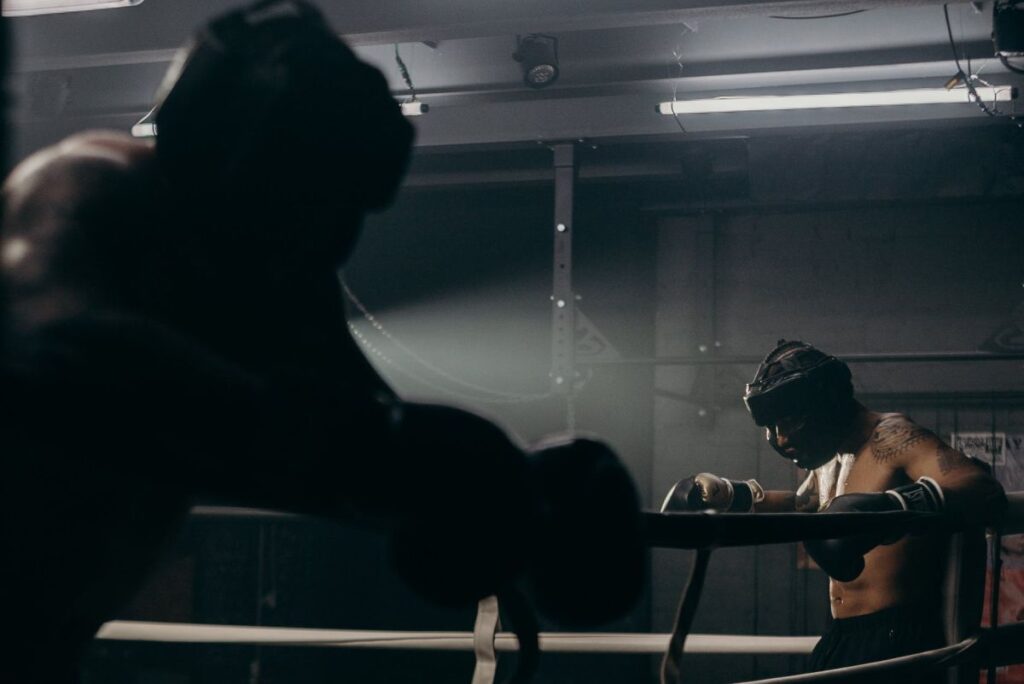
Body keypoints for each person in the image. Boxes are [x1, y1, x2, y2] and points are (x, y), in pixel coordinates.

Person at [0, 2, 644, 681]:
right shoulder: (88, 189)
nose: (325, 233)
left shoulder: (275, 265)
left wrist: (514, 510)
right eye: (307, 202)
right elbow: (54, 351)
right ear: (235, 160)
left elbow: (354, 434)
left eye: (341, 208)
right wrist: (387, 452)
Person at [661, 339, 1006, 680]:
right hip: (842, 636)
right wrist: (731, 496)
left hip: (898, 637)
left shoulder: (893, 437)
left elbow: (979, 486)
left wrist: (890, 508)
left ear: (826, 404)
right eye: (771, 427)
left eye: (789, 421)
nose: (780, 439)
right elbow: (806, 505)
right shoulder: (832, 456)